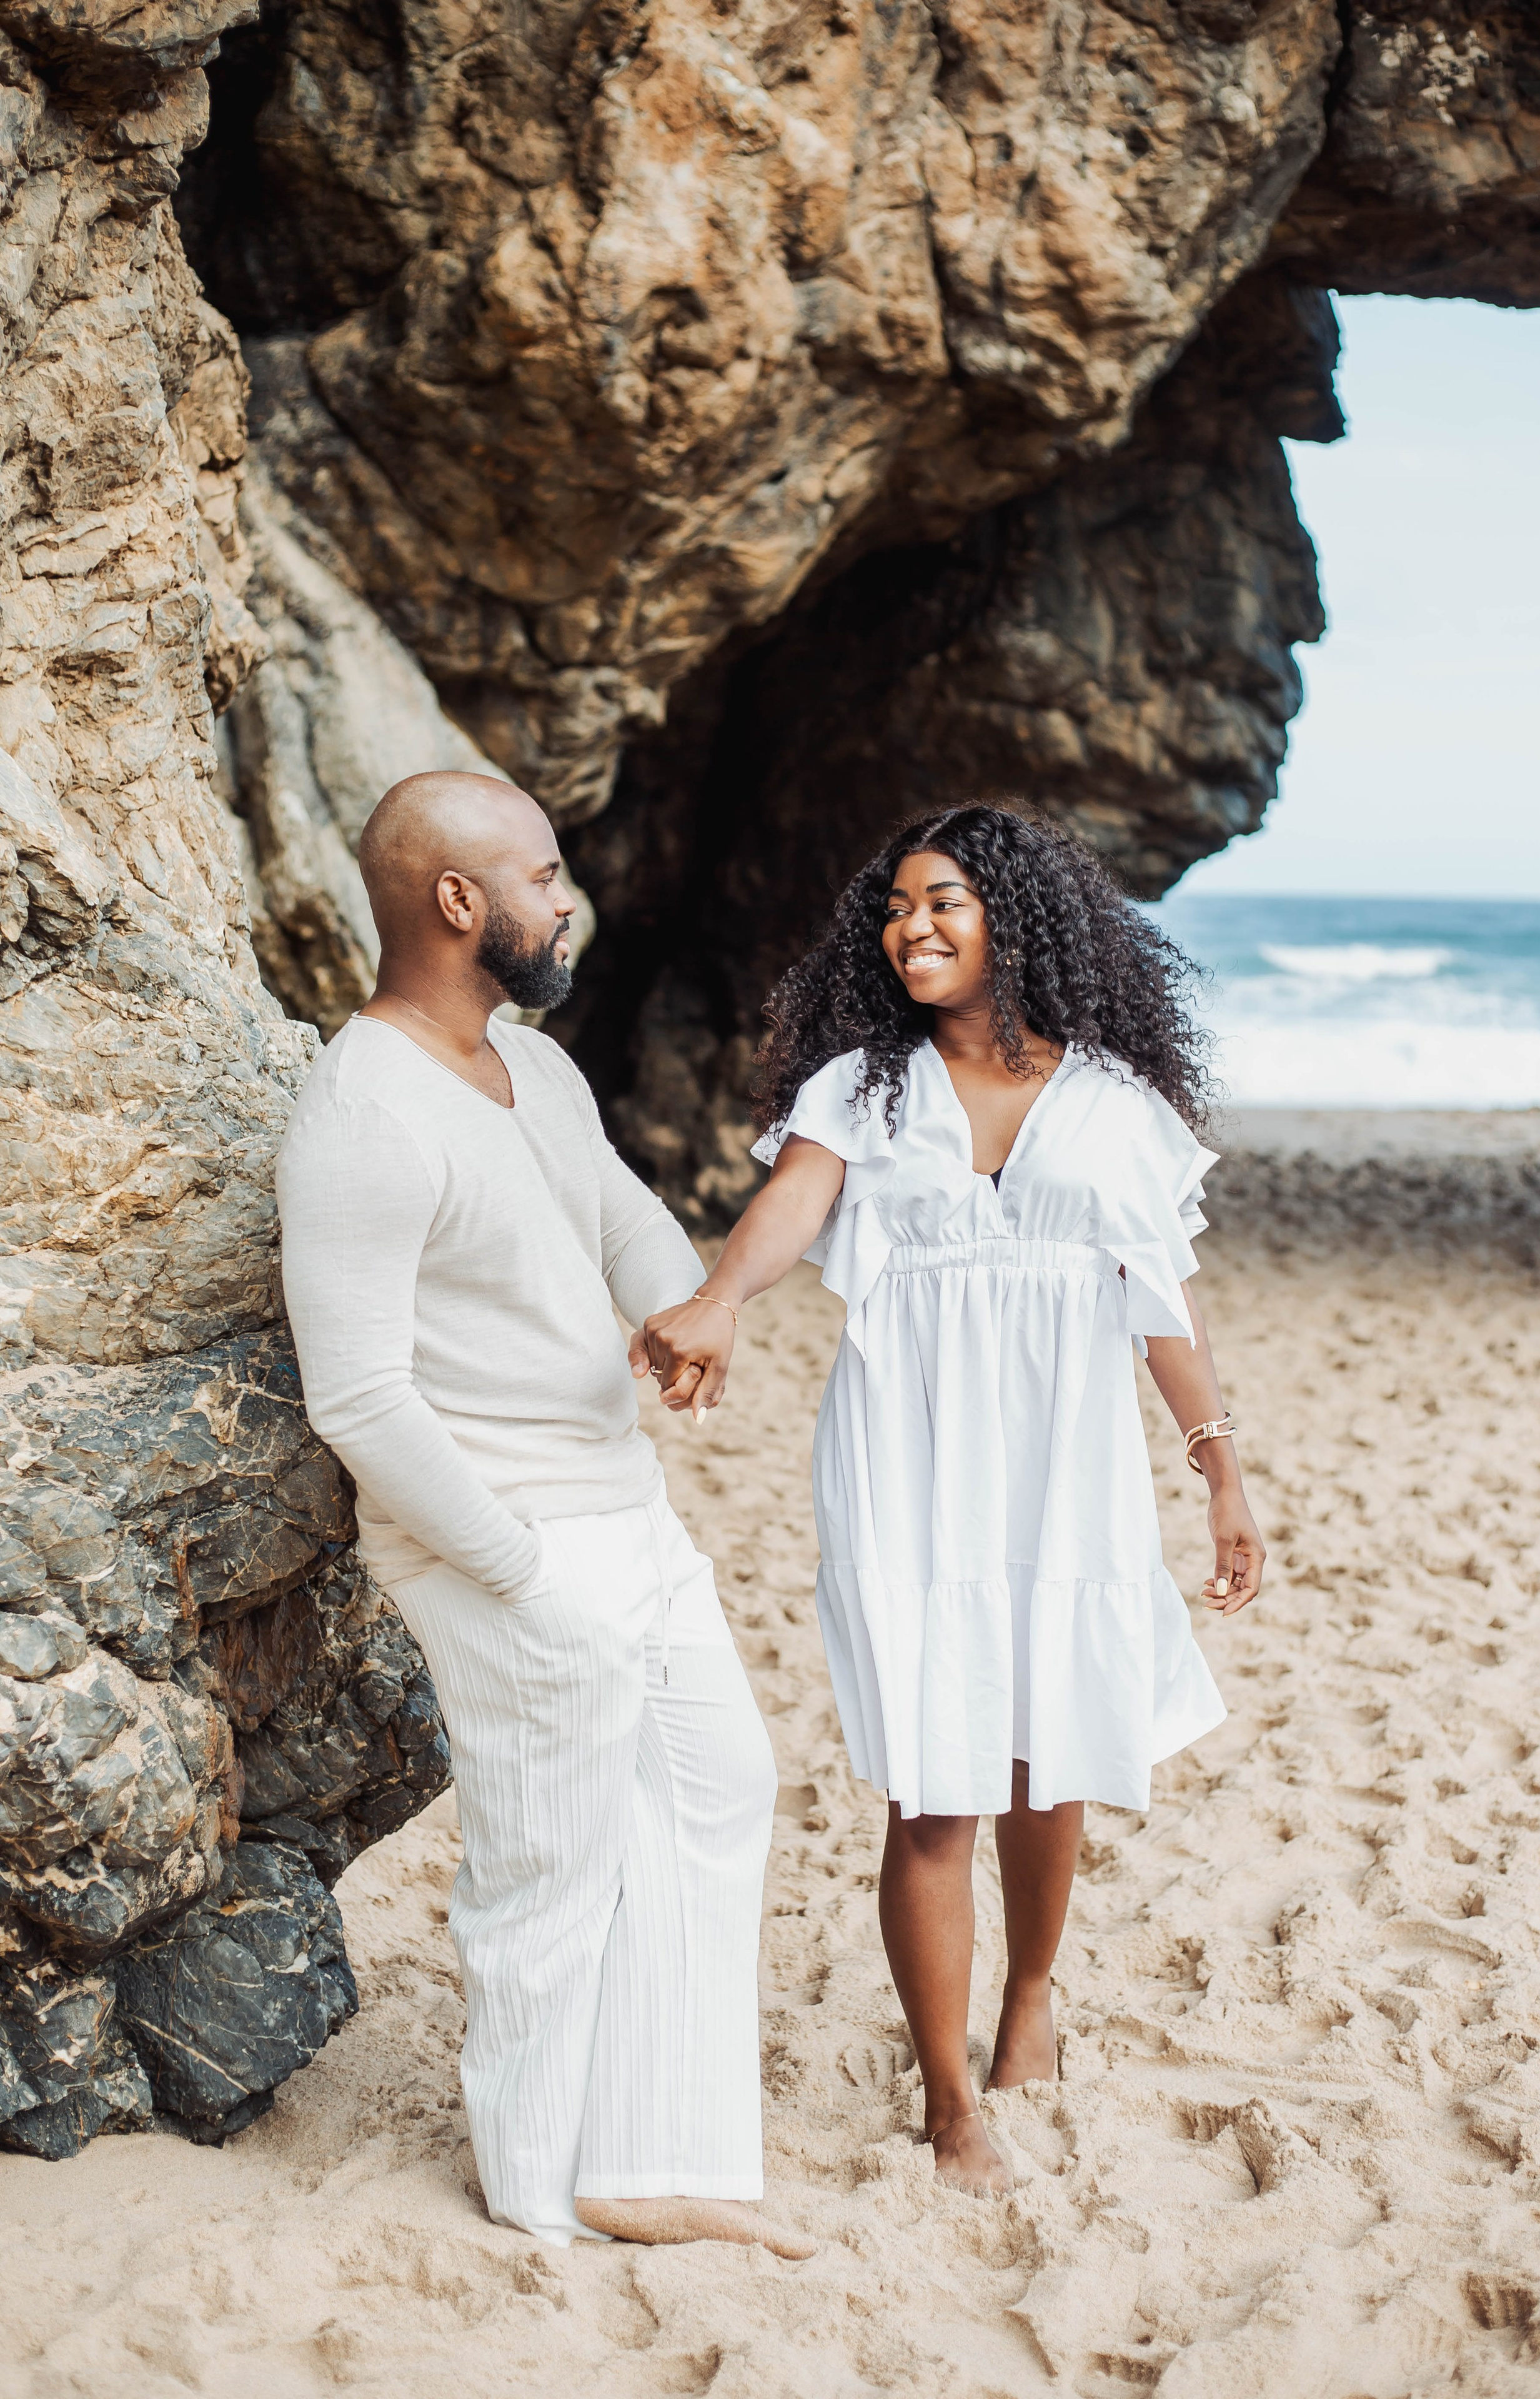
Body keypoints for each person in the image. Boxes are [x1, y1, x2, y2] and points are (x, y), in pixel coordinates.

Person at [633, 802, 1265, 2198]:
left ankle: (1028, 1997)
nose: (908, 926)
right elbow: (795, 1206)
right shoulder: (859, 1088)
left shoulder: (1116, 1105)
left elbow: (1160, 1301)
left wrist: (1216, 1468)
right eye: (896, 907)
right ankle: (945, 2105)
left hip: (1068, 1459)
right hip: (910, 1456)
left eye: (943, 903)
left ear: (1016, 923)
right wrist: (719, 1301)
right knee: (933, 1779)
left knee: (1050, 1754)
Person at [275, 769, 810, 2258]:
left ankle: (649, 2156)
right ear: (459, 902)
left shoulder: (532, 1065)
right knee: (550, 1862)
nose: (569, 897)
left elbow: (619, 1207)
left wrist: (677, 1305)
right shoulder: (364, 1113)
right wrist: (517, 1572)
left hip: (622, 1509)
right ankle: (534, 2187)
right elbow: (361, 1400)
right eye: (545, 873)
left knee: (715, 1790)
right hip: (504, 1545)